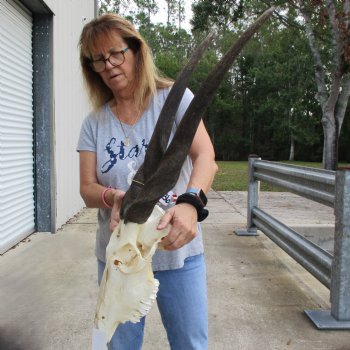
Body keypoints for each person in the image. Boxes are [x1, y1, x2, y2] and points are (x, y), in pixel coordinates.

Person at [77, 13, 218, 350]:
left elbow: (206, 158)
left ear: (136, 50)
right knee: (116, 344)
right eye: (98, 59)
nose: (109, 65)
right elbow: (86, 189)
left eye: (116, 53)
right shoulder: (94, 123)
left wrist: (190, 203)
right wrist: (113, 197)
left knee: (190, 344)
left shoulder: (175, 99)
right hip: (119, 259)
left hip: (176, 251)